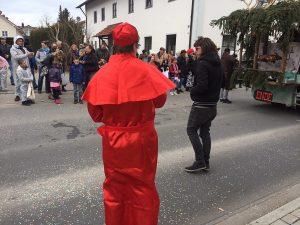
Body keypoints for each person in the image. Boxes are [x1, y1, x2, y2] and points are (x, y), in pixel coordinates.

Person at [82, 22, 175, 225]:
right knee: (143, 187)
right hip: (143, 140)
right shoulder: (148, 70)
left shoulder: (101, 75)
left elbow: (96, 115)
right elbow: (159, 101)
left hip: (114, 141)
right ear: (136, 45)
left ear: (114, 44)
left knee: (115, 188)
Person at [185, 37, 223, 173]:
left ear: (205, 48)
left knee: (191, 130)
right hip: (212, 105)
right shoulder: (218, 62)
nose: (196, 51)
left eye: (198, 48)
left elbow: (202, 85)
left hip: (201, 104)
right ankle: (205, 162)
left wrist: (192, 92)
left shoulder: (203, 63)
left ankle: (200, 161)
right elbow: (222, 82)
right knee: (205, 132)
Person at [10, 36, 34, 102]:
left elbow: (28, 54)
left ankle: (26, 96)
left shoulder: (24, 48)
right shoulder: (13, 49)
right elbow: (15, 57)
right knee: (17, 82)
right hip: (17, 67)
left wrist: (31, 54)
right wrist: (26, 54)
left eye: (22, 41)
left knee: (25, 83)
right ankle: (17, 95)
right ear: (16, 41)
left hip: (26, 67)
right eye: (19, 41)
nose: (21, 42)